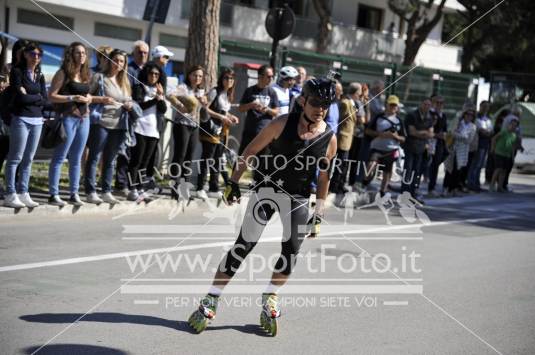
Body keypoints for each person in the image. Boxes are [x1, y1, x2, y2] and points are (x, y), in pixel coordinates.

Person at [187, 78, 337, 336]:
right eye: (315, 102)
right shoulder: (281, 123)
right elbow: (249, 151)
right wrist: (233, 182)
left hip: (297, 196)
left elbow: (324, 178)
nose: (320, 108)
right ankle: (211, 298)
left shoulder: (329, 139)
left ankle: (270, 296)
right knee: (244, 244)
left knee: (291, 249)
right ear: (303, 101)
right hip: (267, 190)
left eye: (325, 104)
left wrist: (319, 213)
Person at [48, 42, 110, 207]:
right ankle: (53, 194)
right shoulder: (63, 73)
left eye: (84, 53)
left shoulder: (86, 74)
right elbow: (51, 95)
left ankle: (73, 193)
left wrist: (90, 98)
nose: (82, 56)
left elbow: (88, 95)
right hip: (67, 118)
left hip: (85, 119)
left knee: (77, 158)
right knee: (60, 157)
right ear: (71, 54)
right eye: (78, 53)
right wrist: (71, 98)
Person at [84, 49, 133, 204]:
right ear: (109, 61)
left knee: (111, 159)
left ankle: (106, 191)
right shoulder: (99, 77)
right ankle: (90, 191)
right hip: (101, 122)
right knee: (94, 157)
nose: (118, 64)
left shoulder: (125, 82)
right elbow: (87, 97)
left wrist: (130, 104)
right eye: (116, 60)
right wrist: (102, 99)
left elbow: (128, 98)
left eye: (121, 61)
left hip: (119, 125)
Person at [3, 42, 46, 208]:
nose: (36, 57)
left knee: (28, 159)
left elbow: (45, 99)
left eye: (38, 55)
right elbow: (21, 99)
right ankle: (10, 194)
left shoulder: (39, 74)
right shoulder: (17, 72)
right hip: (21, 118)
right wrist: (37, 98)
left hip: (37, 120)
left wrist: (32, 96)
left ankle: (23, 192)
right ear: (25, 55)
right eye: (32, 54)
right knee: (15, 158)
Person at [196, 67, 239, 199]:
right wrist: (221, 117)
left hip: (222, 131)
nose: (229, 80)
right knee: (207, 159)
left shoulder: (227, 94)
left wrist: (231, 116)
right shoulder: (215, 91)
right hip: (210, 130)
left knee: (217, 159)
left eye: (231, 78)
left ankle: (213, 187)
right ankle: (200, 187)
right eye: (226, 78)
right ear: (222, 79)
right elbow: (205, 109)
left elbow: (223, 111)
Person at [126, 62, 167, 201]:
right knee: (136, 160)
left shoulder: (159, 89)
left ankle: (140, 188)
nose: (154, 76)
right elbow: (140, 106)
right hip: (140, 128)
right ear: (146, 73)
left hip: (153, 130)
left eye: (157, 74)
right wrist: (155, 99)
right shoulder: (139, 87)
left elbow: (163, 109)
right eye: (151, 73)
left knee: (146, 162)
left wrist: (160, 96)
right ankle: (131, 189)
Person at [115, 40, 150, 195]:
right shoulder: (129, 70)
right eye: (139, 52)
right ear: (133, 53)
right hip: (129, 116)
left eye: (145, 53)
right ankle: (121, 183)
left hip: (147, 120)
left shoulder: (150, 71)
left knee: (139, 156)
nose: (142, 55)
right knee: (125, 151)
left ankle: (136, 184)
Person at [169, 65, 207, 194]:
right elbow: (170, 95)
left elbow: (203, 114)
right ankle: (175, 186)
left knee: (189, 157)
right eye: (195, 75)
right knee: (180, 155)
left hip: (194, 126)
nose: (197, 78)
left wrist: (204, 104)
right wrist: (180, 105)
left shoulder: (201, 91)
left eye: (200, 76)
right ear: (189, 75)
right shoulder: (183, 87)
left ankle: (184, 188)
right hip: (182, 124)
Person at [360, 95, 406, 196]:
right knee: (371, 165)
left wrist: (395, 137)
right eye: (391, 105)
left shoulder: (399, 121)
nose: (393, 107)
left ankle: (383, 192)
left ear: (398, 107)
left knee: (387, 171)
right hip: (376, 148)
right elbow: (367, 131)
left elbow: (403, 138)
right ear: (386, 105)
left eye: (395, 105)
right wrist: (381, 134)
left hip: (391, 149)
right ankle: (364, 183)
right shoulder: (378, 117)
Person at [238, 65, 279, 155]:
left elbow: (276, 112)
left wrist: (267, 109)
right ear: (260, 76)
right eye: (268, 76)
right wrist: (251, 105)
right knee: (242, 158)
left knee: (261, 164)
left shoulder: (272, 92)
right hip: (249, 131)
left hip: (265, 133)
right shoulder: (250, 90)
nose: (271, 78)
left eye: (272, 76)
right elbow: (240, 108)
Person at [401, 98, 434, 201]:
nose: (426, 107)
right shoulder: (412, 115)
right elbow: (411, 132)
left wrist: (420, 132)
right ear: (420, 104)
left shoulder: (429, 117)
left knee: (417, 172)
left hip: (421, 148)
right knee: (408, 170)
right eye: (425, 104)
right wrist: (424, 133)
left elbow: (431, 134)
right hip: (410, 146)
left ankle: (413, 192)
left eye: (429, 105)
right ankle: (405, 193)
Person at [330, 82, 359, 194]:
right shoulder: (345, 103)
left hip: (348, 139)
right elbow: (339, 119)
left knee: (344, 164)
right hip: (342, 137)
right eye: (359, 92)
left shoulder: (352, 103)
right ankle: (334, 186)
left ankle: (340, 185)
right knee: (339, 164)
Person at [443, 106, 477, 196]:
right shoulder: (458, 122)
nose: (469, 116)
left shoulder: (473, 127)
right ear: (464, 115)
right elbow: (450, 132)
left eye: (471, 115)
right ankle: (446, 188)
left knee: (458, 171)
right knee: (449, 169)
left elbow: (468, 140)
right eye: (467, 114)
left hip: (462, 152)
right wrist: (458, 135)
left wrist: (456, 134)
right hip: (452, 149)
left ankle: (454, 189)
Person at [467, 100, 493, 192]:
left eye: (487, 106)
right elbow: (480, 130)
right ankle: (471, 183)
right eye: (484, 106)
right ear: (480, 106)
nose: (486, 108)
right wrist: (485, 132)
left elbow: (490, 131)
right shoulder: (476, 117)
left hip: (486, 144)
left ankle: (476, 183)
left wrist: (487, 132)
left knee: (480, 165)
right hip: (478, 143)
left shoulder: (488, 118)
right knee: (475, 164)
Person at [489, 116, 520, 192]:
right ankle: (492, 185)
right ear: (509, 125)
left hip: (507, 155)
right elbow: (494, 139)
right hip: (499, 153)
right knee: (498, 168)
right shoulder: (504, 131)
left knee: (504, 171)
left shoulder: (514, 135)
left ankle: (500, 187)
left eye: (515, 126)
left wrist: (512, 157)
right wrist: (492, 148)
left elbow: (513, 146)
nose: (513, 127)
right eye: (512, 125)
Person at [427, 95, 448, 197]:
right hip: (430, 141)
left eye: (441, 103)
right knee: (430, 164)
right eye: (437, 102)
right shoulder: (430, 114)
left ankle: (431, 184)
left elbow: (445, 128)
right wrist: (436, 134)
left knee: (437, 162)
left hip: (440, 142)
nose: (439, 105)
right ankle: (431, 187)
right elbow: (427, 127)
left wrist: (444, 134)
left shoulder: (443, 115)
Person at [349, 83, 369, 186]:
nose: (364, 93)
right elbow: (362, 120)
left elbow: (367, 119)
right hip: (354, 135)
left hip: (359, 135)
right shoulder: (356, 102)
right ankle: (347, 181)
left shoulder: (362, 103)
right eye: (363, 91)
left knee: (355, 160)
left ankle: (351, 181)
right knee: (351, 159)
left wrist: (367, 104)